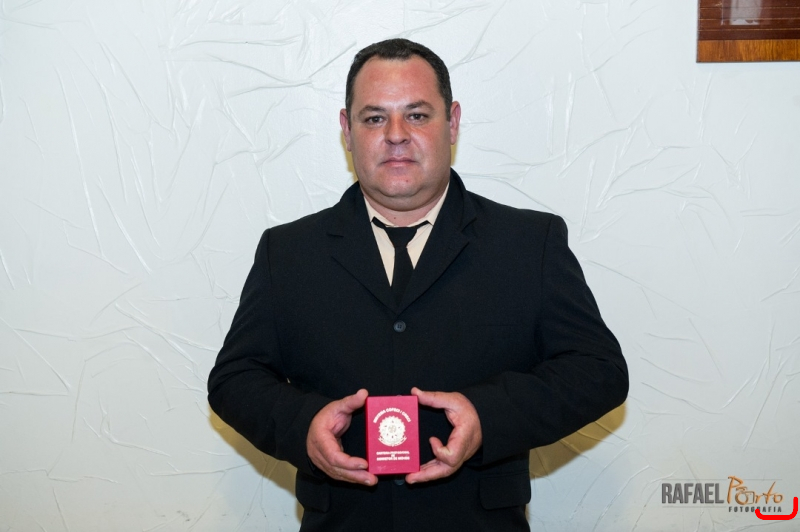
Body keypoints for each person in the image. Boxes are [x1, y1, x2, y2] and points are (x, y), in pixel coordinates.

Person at [207, 38, 628, 532]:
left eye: (417, 115)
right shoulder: (288, 252)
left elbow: (598, 371)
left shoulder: (529, 243)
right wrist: (304, 426)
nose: (396, 135)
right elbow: (234, 379)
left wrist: (486, 416)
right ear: (347, 131)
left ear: (452, 123)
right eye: (374, 118)